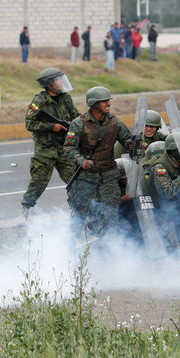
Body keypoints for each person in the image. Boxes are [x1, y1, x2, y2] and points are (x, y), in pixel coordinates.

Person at [63, 86, 133, 239]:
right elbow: (68, 148)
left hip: (108, 177)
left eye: (108, 101)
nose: (108, 103)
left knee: (111, 214)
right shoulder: (78, 123)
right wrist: (81, 161)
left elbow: (128, 141)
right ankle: (70, 247)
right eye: (104, 101)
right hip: (85, 178)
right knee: (79, 213)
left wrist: (134, 145)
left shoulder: (115, 122)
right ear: (94, 104)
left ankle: (106, 248)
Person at [21, 68, 80, 217]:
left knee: (75, 182)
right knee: (38, 183)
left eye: (61, 79)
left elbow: (76, 117)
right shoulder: (39, 101)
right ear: (49, 84)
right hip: (45, 151)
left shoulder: (66, 98)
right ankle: (25, 210)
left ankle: (78, 212)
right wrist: (51, 127)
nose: (61, 82)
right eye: (58, 80)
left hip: (64, 148)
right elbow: (30, 124)